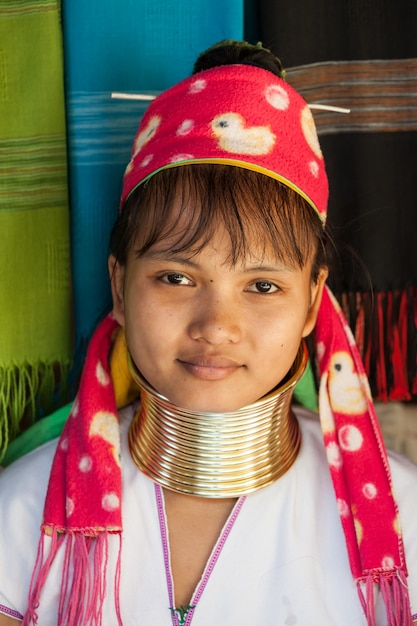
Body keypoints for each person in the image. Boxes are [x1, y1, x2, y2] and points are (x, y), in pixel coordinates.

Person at [0, 40, 416, 626]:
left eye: (263, 286)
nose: (216, 326)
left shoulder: (405, 525)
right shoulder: (23, 515)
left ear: (311, 303)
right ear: (119, 288)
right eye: (175, 277)